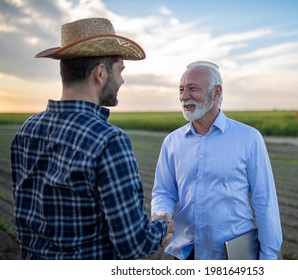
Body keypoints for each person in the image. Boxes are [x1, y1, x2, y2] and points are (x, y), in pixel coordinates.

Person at [10, 17, 173, 260]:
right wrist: (161, 226)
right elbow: (134, 245)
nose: (122, 80)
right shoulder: (109, 141)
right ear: (100, 73)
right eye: (120, 71)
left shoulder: (26, 131)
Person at [151, 61, 282, 260]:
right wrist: (162, 213)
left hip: (234, 256)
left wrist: (268, 258)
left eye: (193, 89)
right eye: (181, 90)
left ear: (216, 92)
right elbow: (164, 191)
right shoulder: (172, 142)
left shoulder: (249, 138)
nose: (184, 96)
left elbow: (264, 202)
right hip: (184, 255)